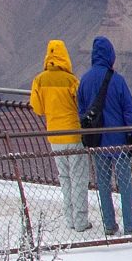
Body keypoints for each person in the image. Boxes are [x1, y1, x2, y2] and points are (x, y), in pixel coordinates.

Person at [76, 35, 132, 236]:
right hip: (119, 142)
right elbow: (129, 112)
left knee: (103, 185)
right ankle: (130, 226)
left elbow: (81, 112)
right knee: (125, 185)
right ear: (110, 56)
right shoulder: (118, 80)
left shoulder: (84, 81)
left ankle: (109, 225)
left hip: (97, 142)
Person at [28, 39, 91, 233]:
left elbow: (38, 108)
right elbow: (81, 105)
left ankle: (69, 219)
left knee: (64, 178)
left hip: (54, 136)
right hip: (73, 135)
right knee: (78, 178)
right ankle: (80, 221)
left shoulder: (39, 80)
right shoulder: (72, 81)